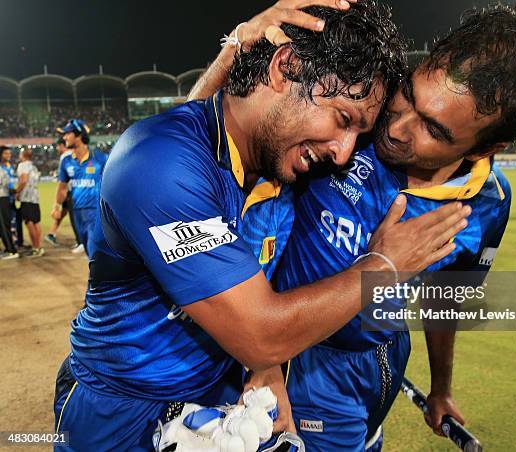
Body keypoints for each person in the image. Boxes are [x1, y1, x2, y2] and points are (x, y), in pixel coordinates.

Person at [53, 2, 470, 451]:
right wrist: (382, 265)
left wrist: (266, 369)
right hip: (116, 409)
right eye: (343, 119)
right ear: (284, 66)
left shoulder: (281, 163)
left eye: (357, 134)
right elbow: (261, 333)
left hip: (217, 394)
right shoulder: (158, 161)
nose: (344, 152)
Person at [189, 3, 516, 451]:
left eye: (433, 128)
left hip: (382, 358)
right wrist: (237, 44)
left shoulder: (489, 204)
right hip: (300, 359)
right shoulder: (354, 117)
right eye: (408, 94)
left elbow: (441, 300)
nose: (396, 127)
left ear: (489, 146)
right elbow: (199, 155)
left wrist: (442, 387)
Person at [53, 119, 107, 255]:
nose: (64, 137)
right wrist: (57, 206)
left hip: (96, 211)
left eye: (67, 134)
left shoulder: (100, 158)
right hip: (77, 212)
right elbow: (62, 187)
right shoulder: (66, 161)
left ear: (79, 135)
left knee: (95, 249)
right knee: (89, 251)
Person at [45, 138, 81, 249]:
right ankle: (79, 240)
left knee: (70, 214)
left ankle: (52, 233)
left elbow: (65, 178)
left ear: (62, 145)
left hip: (71, 190)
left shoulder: (66, 156)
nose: (57, 148)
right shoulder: (72, 154)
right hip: (71, 190)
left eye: (57, 146)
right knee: (68, 214)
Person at [15, 148, 44, 257]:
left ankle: (35, 247)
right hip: (35, 197)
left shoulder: (22, 165)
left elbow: (23, 180)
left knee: (29, 222)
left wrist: (17, 192)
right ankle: (38, 247)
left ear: (22, 155)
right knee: (36, 222)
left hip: (27, 198)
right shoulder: (34, 166)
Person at [1, 145, 23, 248]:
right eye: (6, 153)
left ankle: (15, 242)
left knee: (11, 220)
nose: (8, 155)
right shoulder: (1, 167)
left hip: (10, 196)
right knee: (4, 221)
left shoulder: (10, 166)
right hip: (3, 195)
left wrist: (15, 192)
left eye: (9, 153)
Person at [0, 160, 18, 259]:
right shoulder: (3, 170)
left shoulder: (1, 171)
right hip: (4, 198)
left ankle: (12, 251)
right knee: (2, 226)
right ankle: (8, 249)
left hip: (2, 199)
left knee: (4, 226)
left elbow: (6, 186)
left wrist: (14, 192)